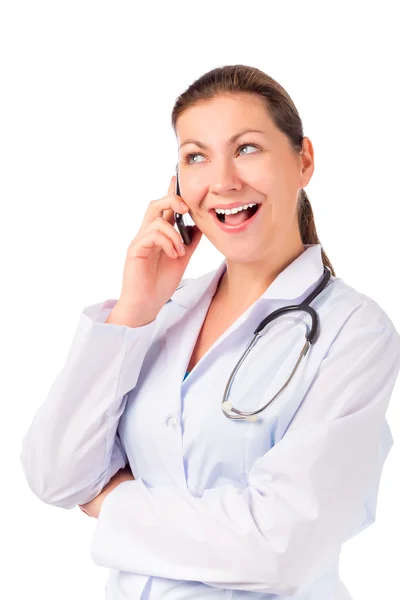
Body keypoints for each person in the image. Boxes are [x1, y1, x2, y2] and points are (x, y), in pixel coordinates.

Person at [20, 64, 400, 600]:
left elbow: (278, 548)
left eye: (246, 148)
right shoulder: (166, 312)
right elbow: (53, 472)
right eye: (196, 156)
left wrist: (111, 503)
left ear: (303, 160)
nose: (222, 181)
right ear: (178, 183)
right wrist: (135, 308)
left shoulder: (354, 331)